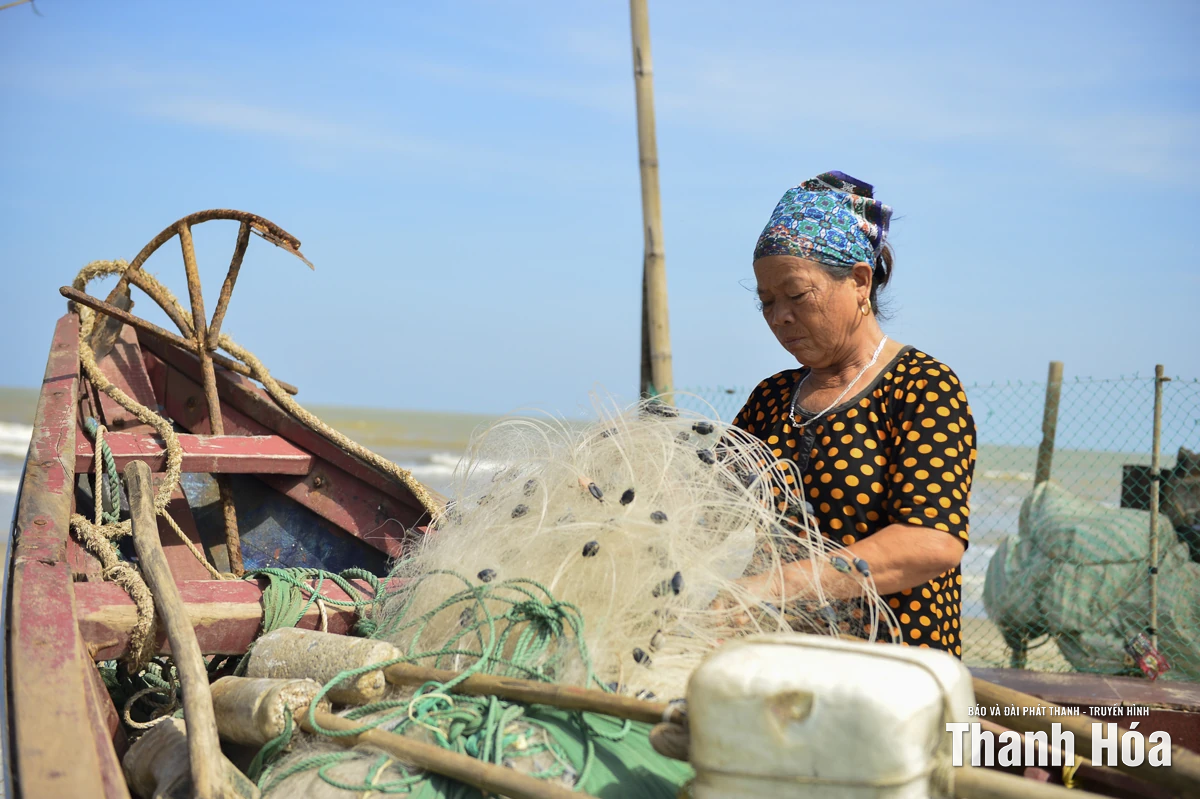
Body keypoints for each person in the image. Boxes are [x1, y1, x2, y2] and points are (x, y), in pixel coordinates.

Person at [731, 171, 976, 656]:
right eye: (767, 302)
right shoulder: (771, 398)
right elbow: (712, 502)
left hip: (890, 674)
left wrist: (778, 587)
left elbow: (930, 541)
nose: (780, 316)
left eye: (797, 295)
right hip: (778, 667)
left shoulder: (923, 387)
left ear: (860, 282)